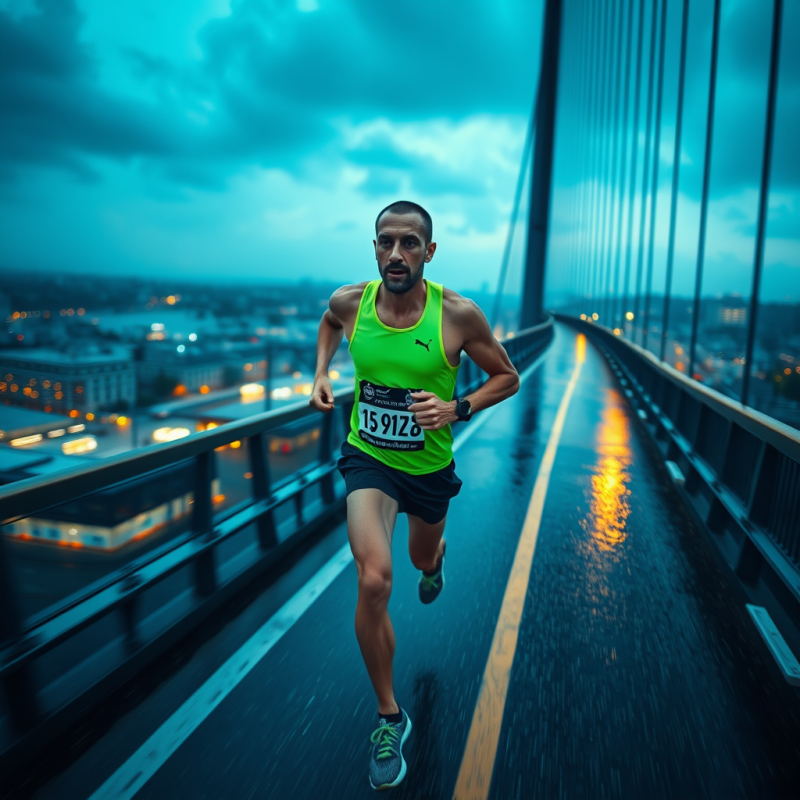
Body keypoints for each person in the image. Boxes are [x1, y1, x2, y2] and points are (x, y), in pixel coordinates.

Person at [310, 200, 519, 790]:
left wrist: (456, 408)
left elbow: (507, 376)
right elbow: (328, 323)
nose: (396, 253)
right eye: (385, 241)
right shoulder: (351, 302)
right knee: (374, 579)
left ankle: (435, 559)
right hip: (369, 460)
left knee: (419, 559)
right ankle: (389, 716)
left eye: (409, 243)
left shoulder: (457, 315)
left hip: (428, 471)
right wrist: (321, 372)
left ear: (429, 251)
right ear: (374, 248)